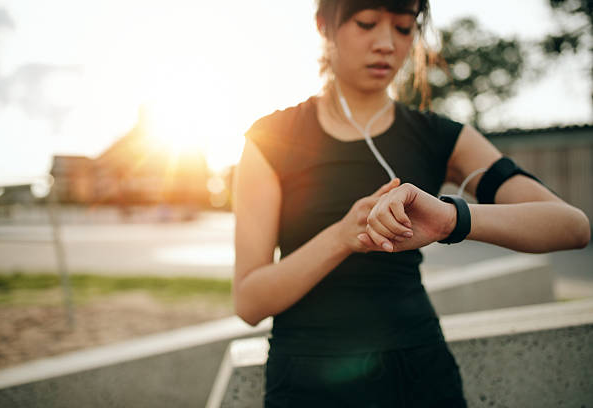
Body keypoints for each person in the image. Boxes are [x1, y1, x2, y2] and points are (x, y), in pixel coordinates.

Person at [232, 0, 591, 407]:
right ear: (324, 26)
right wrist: (342, 236)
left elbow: (571, 226)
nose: (386, 43)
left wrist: (450, 219)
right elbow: (249, 301)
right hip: (305, 381)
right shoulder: (270, 140)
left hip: (418, 375)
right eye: (367, 23)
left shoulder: (440, 137)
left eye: (404, 28)